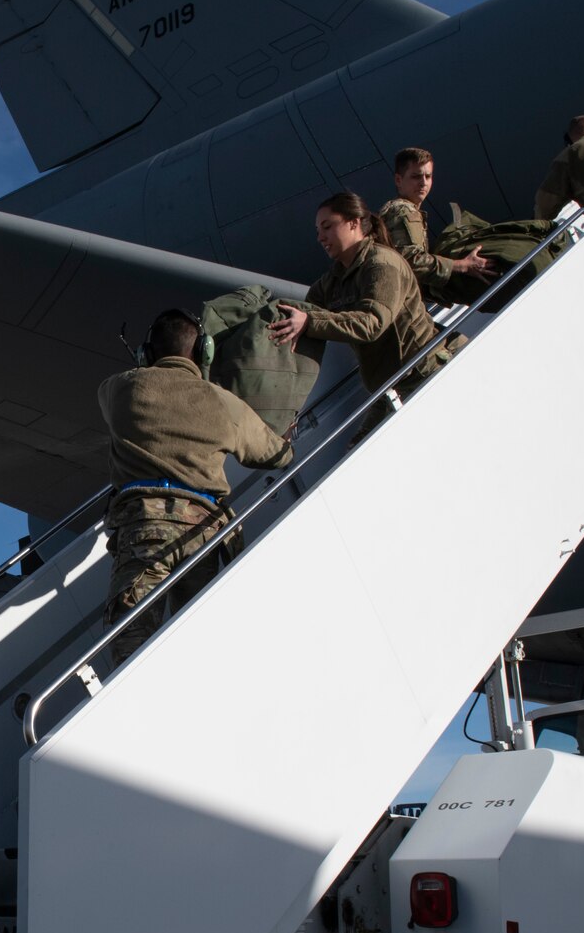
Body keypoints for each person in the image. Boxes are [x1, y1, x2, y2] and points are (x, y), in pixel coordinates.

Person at [98, 309, 292, 665]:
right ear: (204, 352)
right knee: (203, 646)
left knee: (131, 647)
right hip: (203, 533)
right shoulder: (222, 402)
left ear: (146, 353)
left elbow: (111, 402)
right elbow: (275, 454)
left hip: (143, 531)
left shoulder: (119, 388)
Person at [268, 192, 447, 426]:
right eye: (318, 231)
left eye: (327, 227)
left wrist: (310, 322)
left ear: (353, 223)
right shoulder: (331, 282)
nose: (320, 237)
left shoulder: (383, 263)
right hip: (390, 387)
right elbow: (303, 313)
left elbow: (371, 323)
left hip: (423, 375)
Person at [379, 147, 495, 304]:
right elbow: (411, 261)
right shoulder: (402, 210)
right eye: (416, 177)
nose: (423, 183)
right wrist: (462, 265)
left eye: (428, 176)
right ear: (398, 180)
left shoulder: (402, 210)